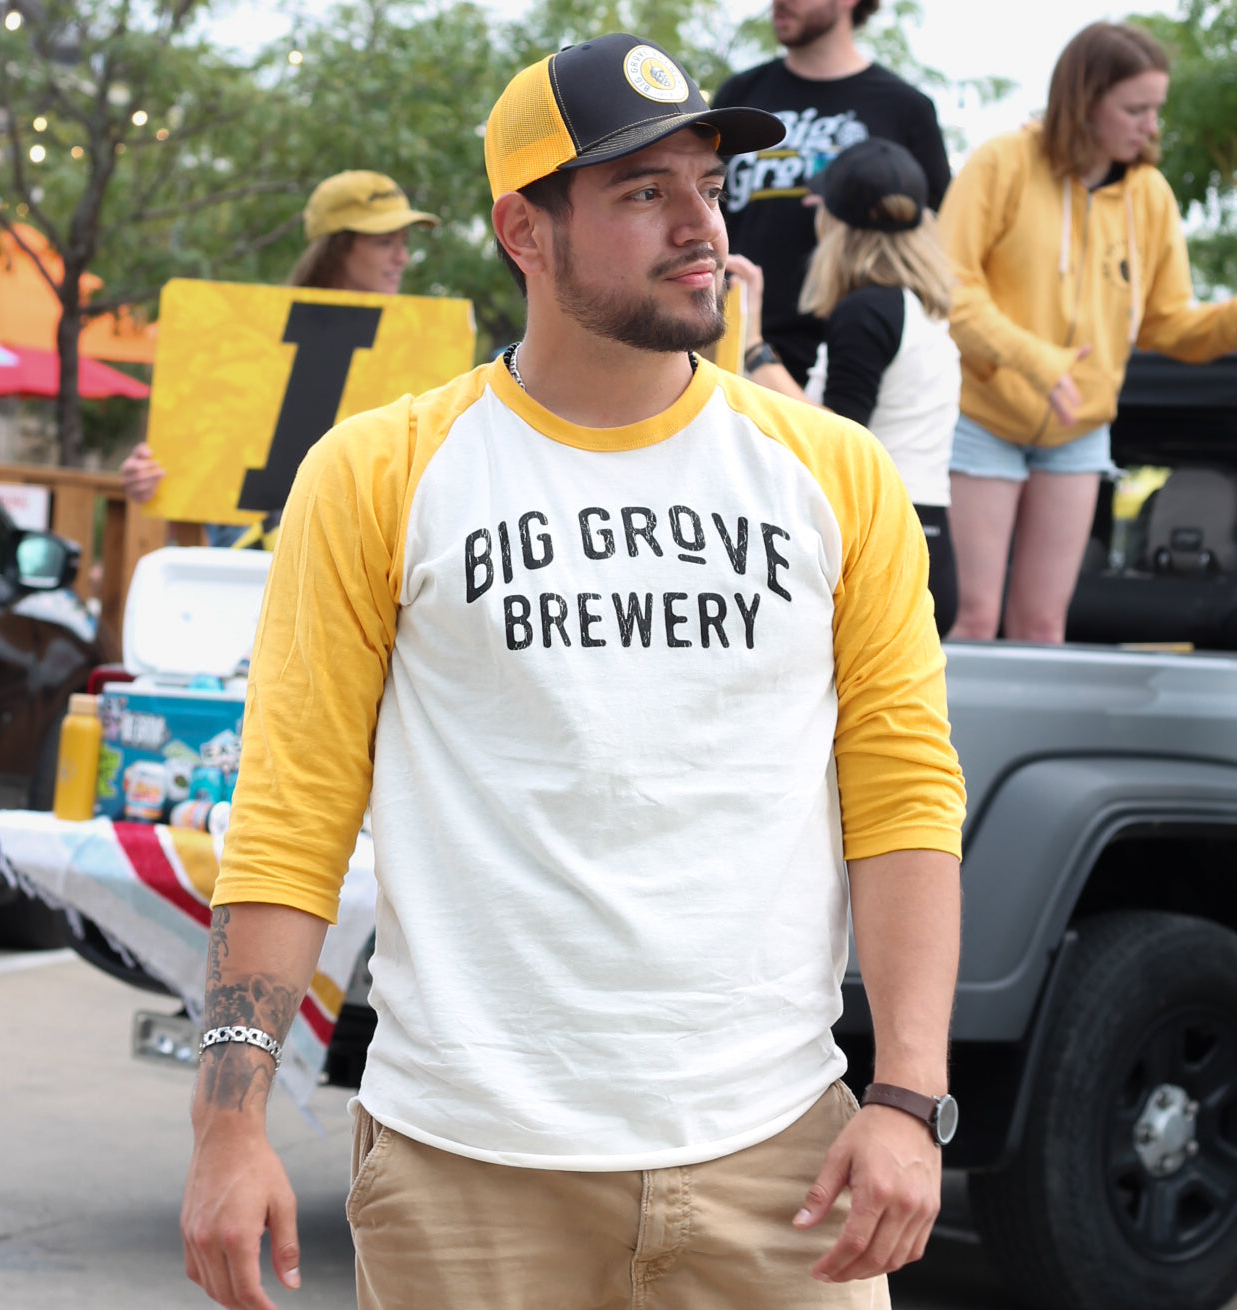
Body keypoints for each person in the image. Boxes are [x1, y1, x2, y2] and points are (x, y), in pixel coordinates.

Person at [180, 32, 966, 1310]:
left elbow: (900, 798)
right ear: (523, 231)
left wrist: (906, 1096)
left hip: (782, 1163)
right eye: (640, 191)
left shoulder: (832, 475)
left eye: (705, 183)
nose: (697, 225)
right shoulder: (381, 472)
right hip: (467, 1175)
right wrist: (229, 1123)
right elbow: (289, 817)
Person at [938, 21, 1237, 643]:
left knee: (1044, 623)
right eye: (1135, 109)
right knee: (973, 618)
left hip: (1079, 430)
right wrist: (1036, 362)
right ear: (1084, 102)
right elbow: (950, 286)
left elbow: (1168, 325)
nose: (1152, 125)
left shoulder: (1150, 194)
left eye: (1156, 108)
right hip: (984, 416)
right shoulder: (1001, 162)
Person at [726, 137, 960, 634]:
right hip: (927, 531)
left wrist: (754, 347)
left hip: (886, 543)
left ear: (833, 220)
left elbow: (838, 438)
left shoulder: (867, 311)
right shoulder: (922, 312)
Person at [118, 170, 438, 527]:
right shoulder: (247, 338)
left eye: (404, 243)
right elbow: (203, 456)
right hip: (250, 550)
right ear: (336, 248)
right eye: (385, 243)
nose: (402, 258)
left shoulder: (424, 349)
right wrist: (150, 474)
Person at [711, 0, 949, 389]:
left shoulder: (905, 109)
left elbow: (932, 243)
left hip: (848, 360)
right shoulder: (740, 93)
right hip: (735, 349)